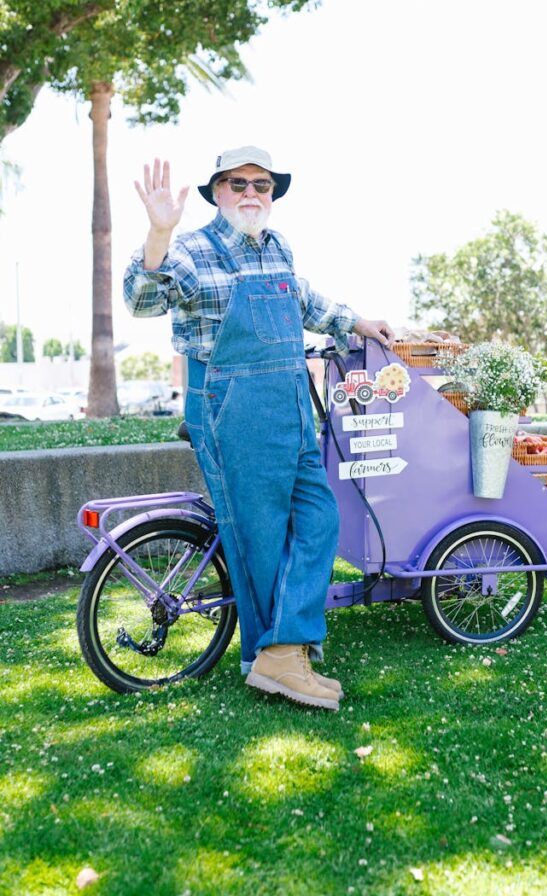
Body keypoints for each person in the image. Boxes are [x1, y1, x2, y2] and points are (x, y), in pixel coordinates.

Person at [124, 145, 395, 711]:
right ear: (216, 192)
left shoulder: (278, 246)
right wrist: (157, 234)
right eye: (238, 183)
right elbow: (142, 297)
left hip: (290, 406)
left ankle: (281, 651)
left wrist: (357, 322)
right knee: (260, 537)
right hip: (232, 410)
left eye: (262, 185)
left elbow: (303, 301)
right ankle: (277, 658)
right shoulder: (193, 250)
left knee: (320, 519)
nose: (251, 193)